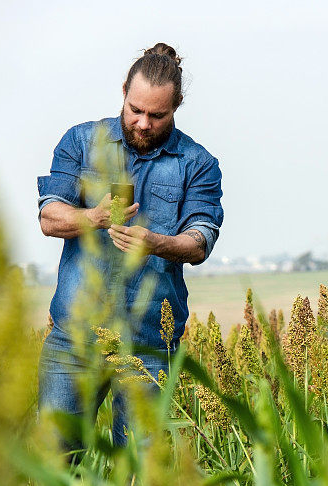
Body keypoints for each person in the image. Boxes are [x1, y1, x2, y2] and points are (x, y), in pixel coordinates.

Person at [36, 43, 223, 452]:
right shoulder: (79, 142)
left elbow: (201, 240)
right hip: (75, 337)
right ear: (123, 91)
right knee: (53, 464)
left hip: (150, 342)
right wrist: (93, 218)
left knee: (142, 478)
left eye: (158, 115)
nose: (143, 123)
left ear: (177, 107)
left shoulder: (199, 163)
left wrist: (157, 242)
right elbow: (49, 217)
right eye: (135, 109)